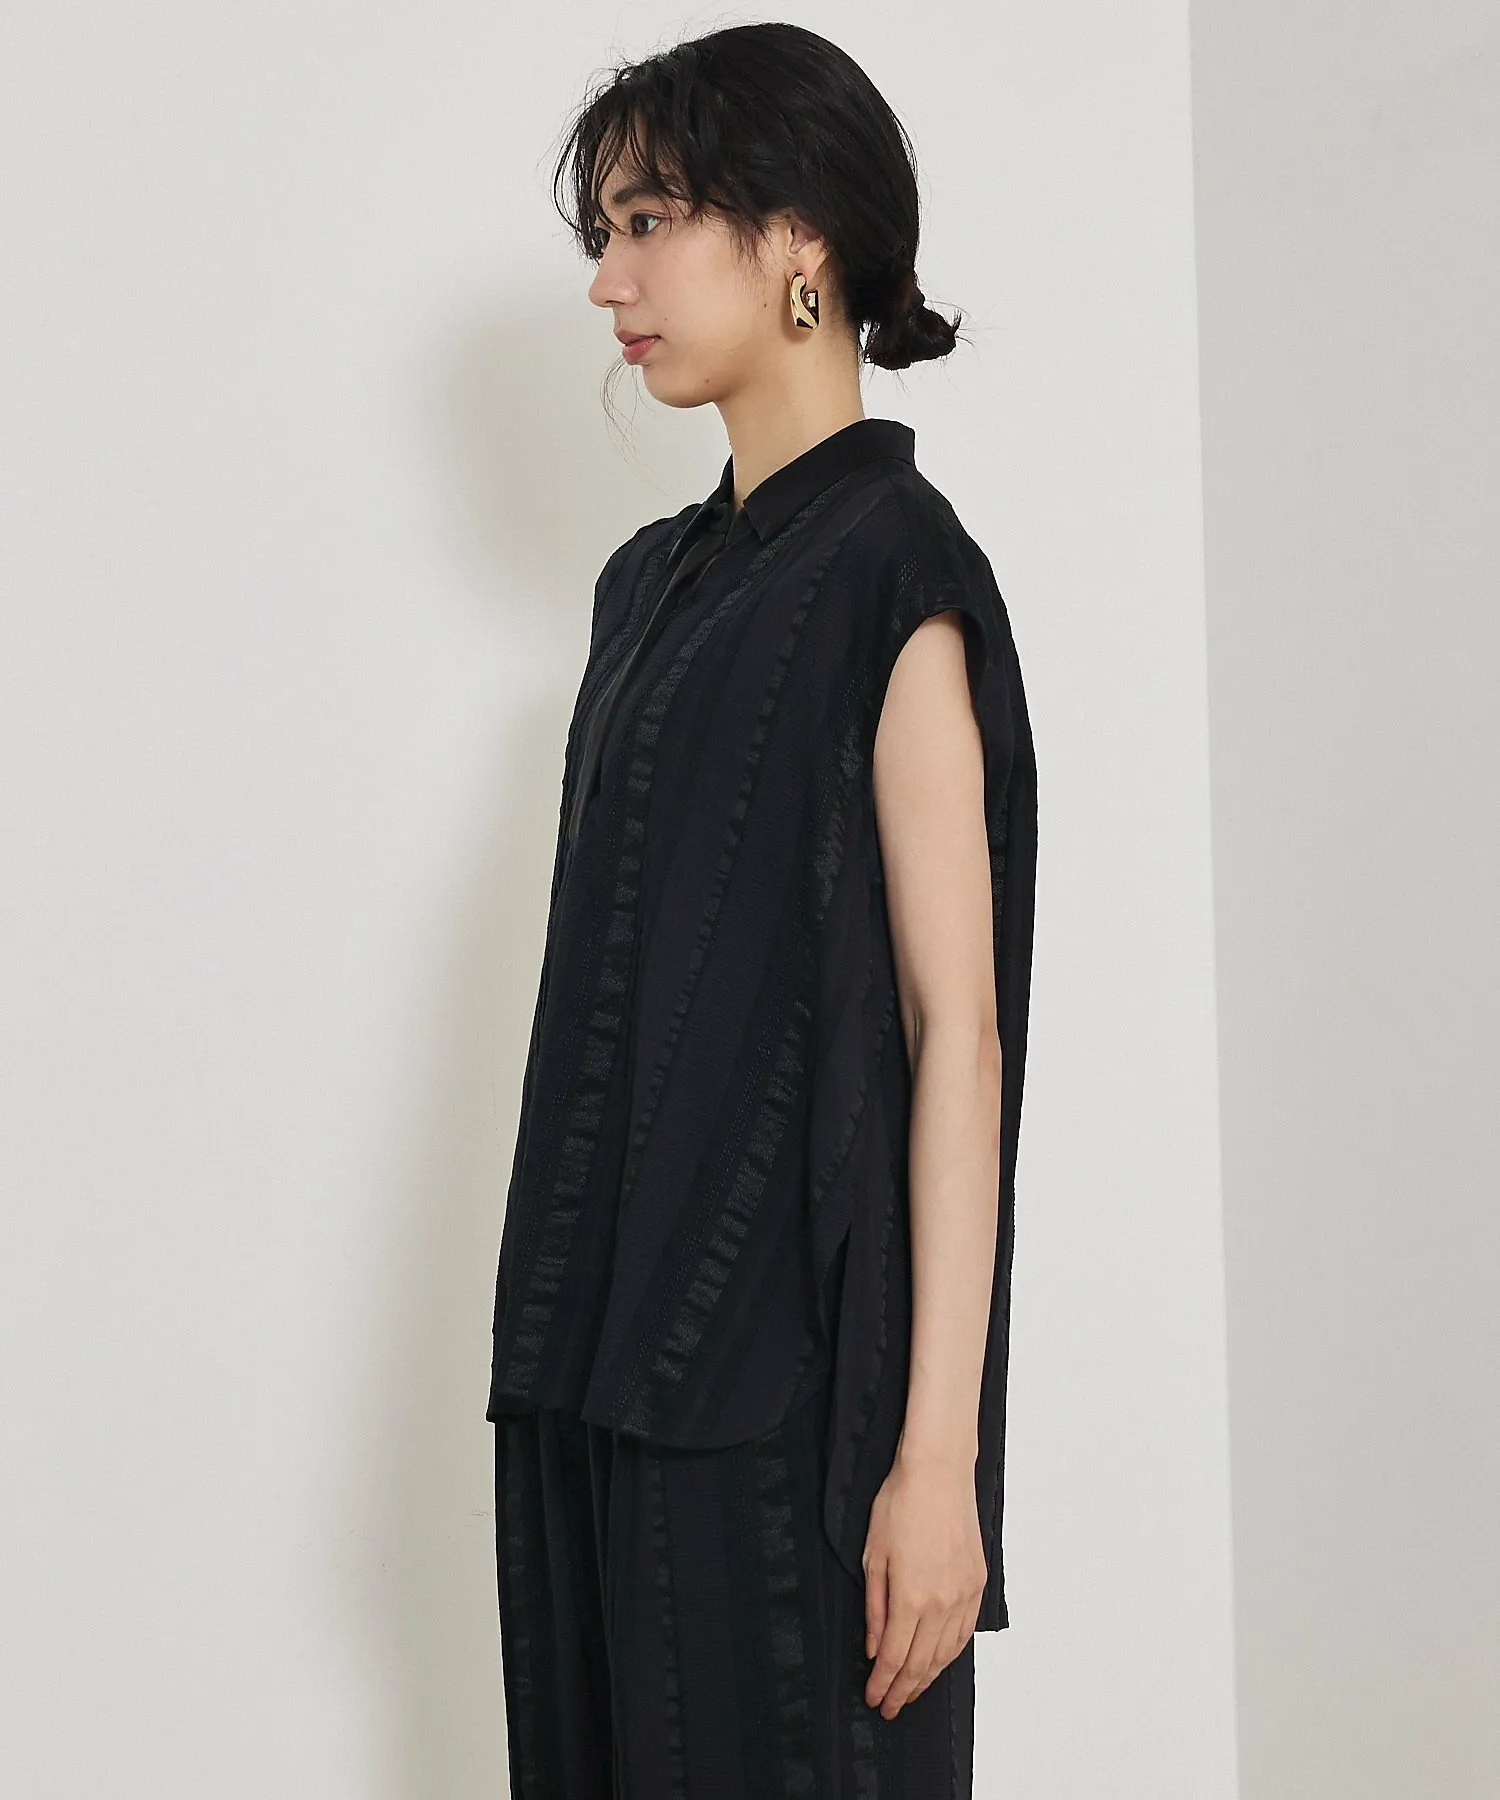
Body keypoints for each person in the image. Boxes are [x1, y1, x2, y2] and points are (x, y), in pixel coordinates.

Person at [484, 22, 1037, 1798]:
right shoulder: (647, 587)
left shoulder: (896, 572)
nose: (608, 281)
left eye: (649, 223)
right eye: (603, 233)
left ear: (800, 241)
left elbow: (959, 1034)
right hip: (590, 1372)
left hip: (791, 1412)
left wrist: (937, 1463)